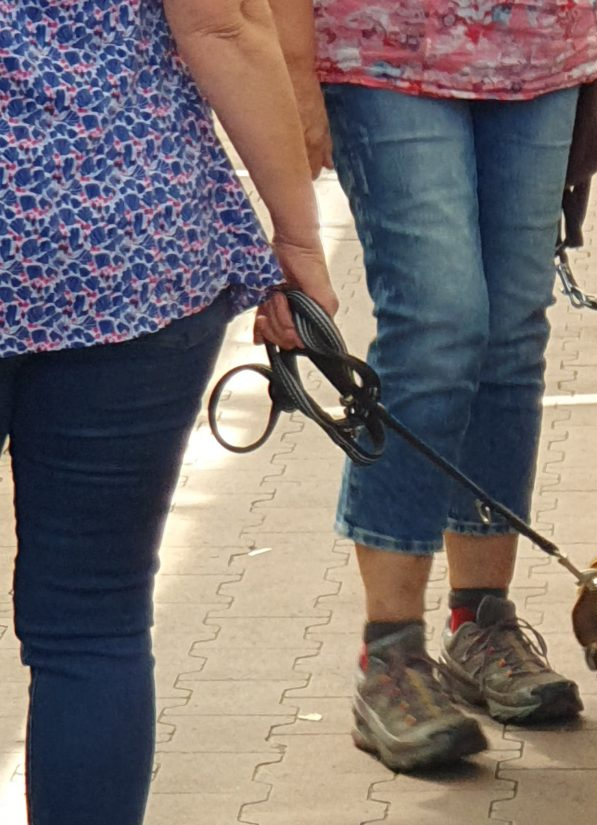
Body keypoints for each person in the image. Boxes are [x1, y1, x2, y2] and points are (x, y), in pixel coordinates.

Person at [0, 1, 337, 823]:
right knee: (94, 621)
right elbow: (222, 26)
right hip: (124, 241)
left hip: (120, 252)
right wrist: (296, 243)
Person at [272, 1, 597, 770]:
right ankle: (390, 655)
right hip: (384, 45)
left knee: (509, 337)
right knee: (438, 327)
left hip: (545, 42)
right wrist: (296, 77)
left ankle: (481, 620)